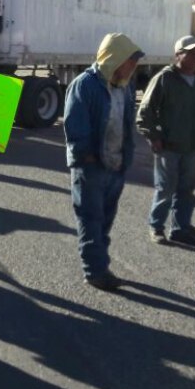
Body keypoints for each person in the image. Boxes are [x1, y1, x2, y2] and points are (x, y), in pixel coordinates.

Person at [64, 32, 144, 291]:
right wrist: (87, 156)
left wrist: (124, 157)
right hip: (91, 167)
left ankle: (101, 265)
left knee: (106, 219)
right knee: (91, 218)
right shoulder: (84, 85)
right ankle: (94, 271)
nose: (133, 67)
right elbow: (75, 126)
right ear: (115, 58)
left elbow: (126, 123)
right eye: (129, 61)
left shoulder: (125, 85)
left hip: (116, 164)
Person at [137, 36, 195, 247]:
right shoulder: (164, 79)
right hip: (168, 147)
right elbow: (145, 112)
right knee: (165, 189)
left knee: (187, 190)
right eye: (190, 52)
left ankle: (180, 229)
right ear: (178, 55)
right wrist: (154, 137)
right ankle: (156, 227)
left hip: (192, 147)